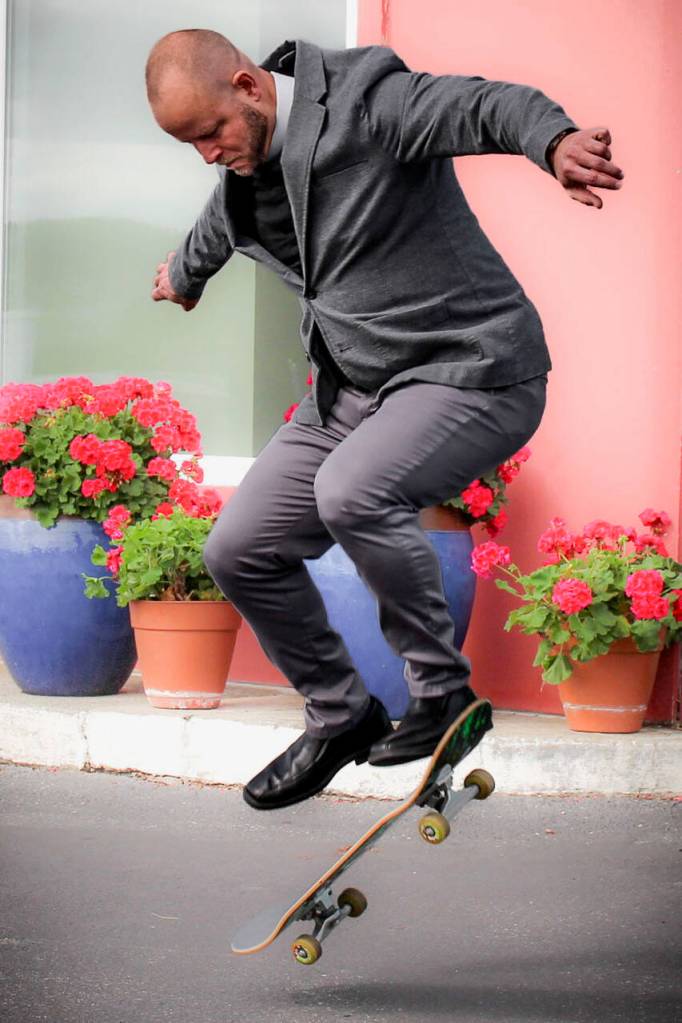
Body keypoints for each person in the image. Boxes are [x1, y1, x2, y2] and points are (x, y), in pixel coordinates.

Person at [146, 29, 624, 810]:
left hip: (472, 369)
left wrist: (556, 140)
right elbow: (217, 226)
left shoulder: (372, 103)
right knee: (237, 547)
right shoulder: (245, 168)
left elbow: (483, 104)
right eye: (189, 143)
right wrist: (181, 277)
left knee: (352, 490)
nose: (206, 153)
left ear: (249, 85)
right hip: (352, 392)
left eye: (209, 133)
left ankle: (443, 693)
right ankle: (341, 714)